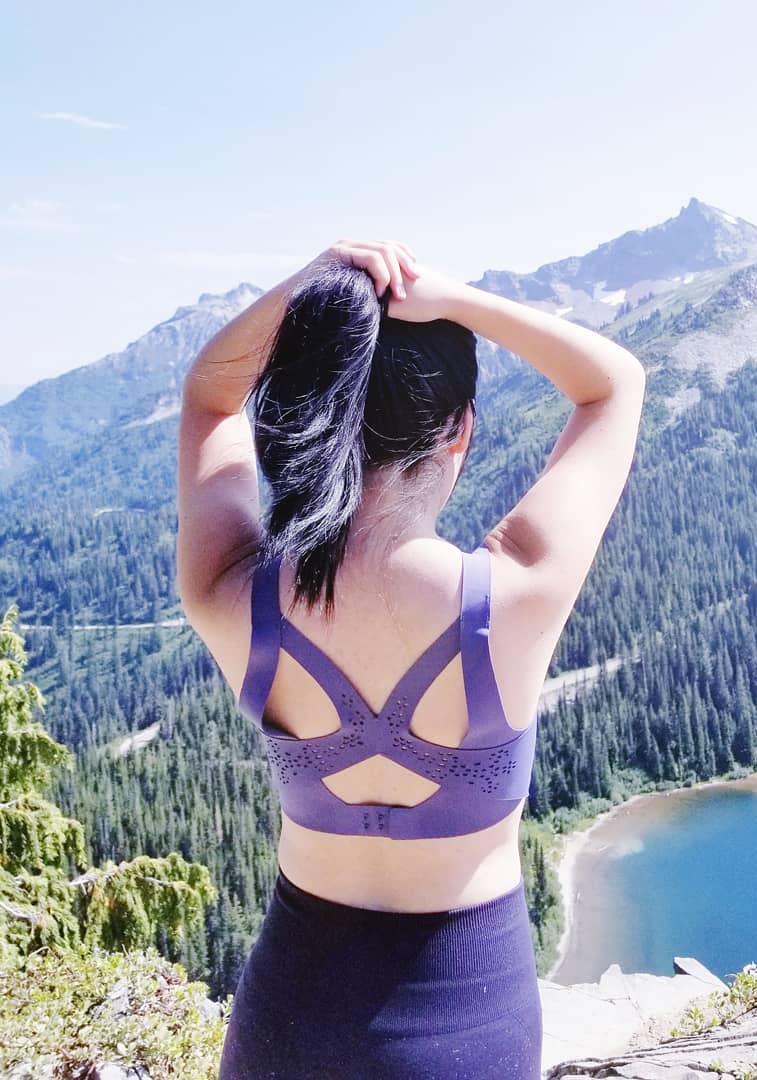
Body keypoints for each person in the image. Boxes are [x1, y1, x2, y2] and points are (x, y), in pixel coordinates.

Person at [176, 239, 645, 1079]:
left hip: (285, 1021)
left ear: (303, 419)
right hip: (464, 1030)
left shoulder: (233, 595)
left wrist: (322, 283)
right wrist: (457, 299)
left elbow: (210, 397)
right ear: (459, 431)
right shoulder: (512, 598)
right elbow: (613, 384)